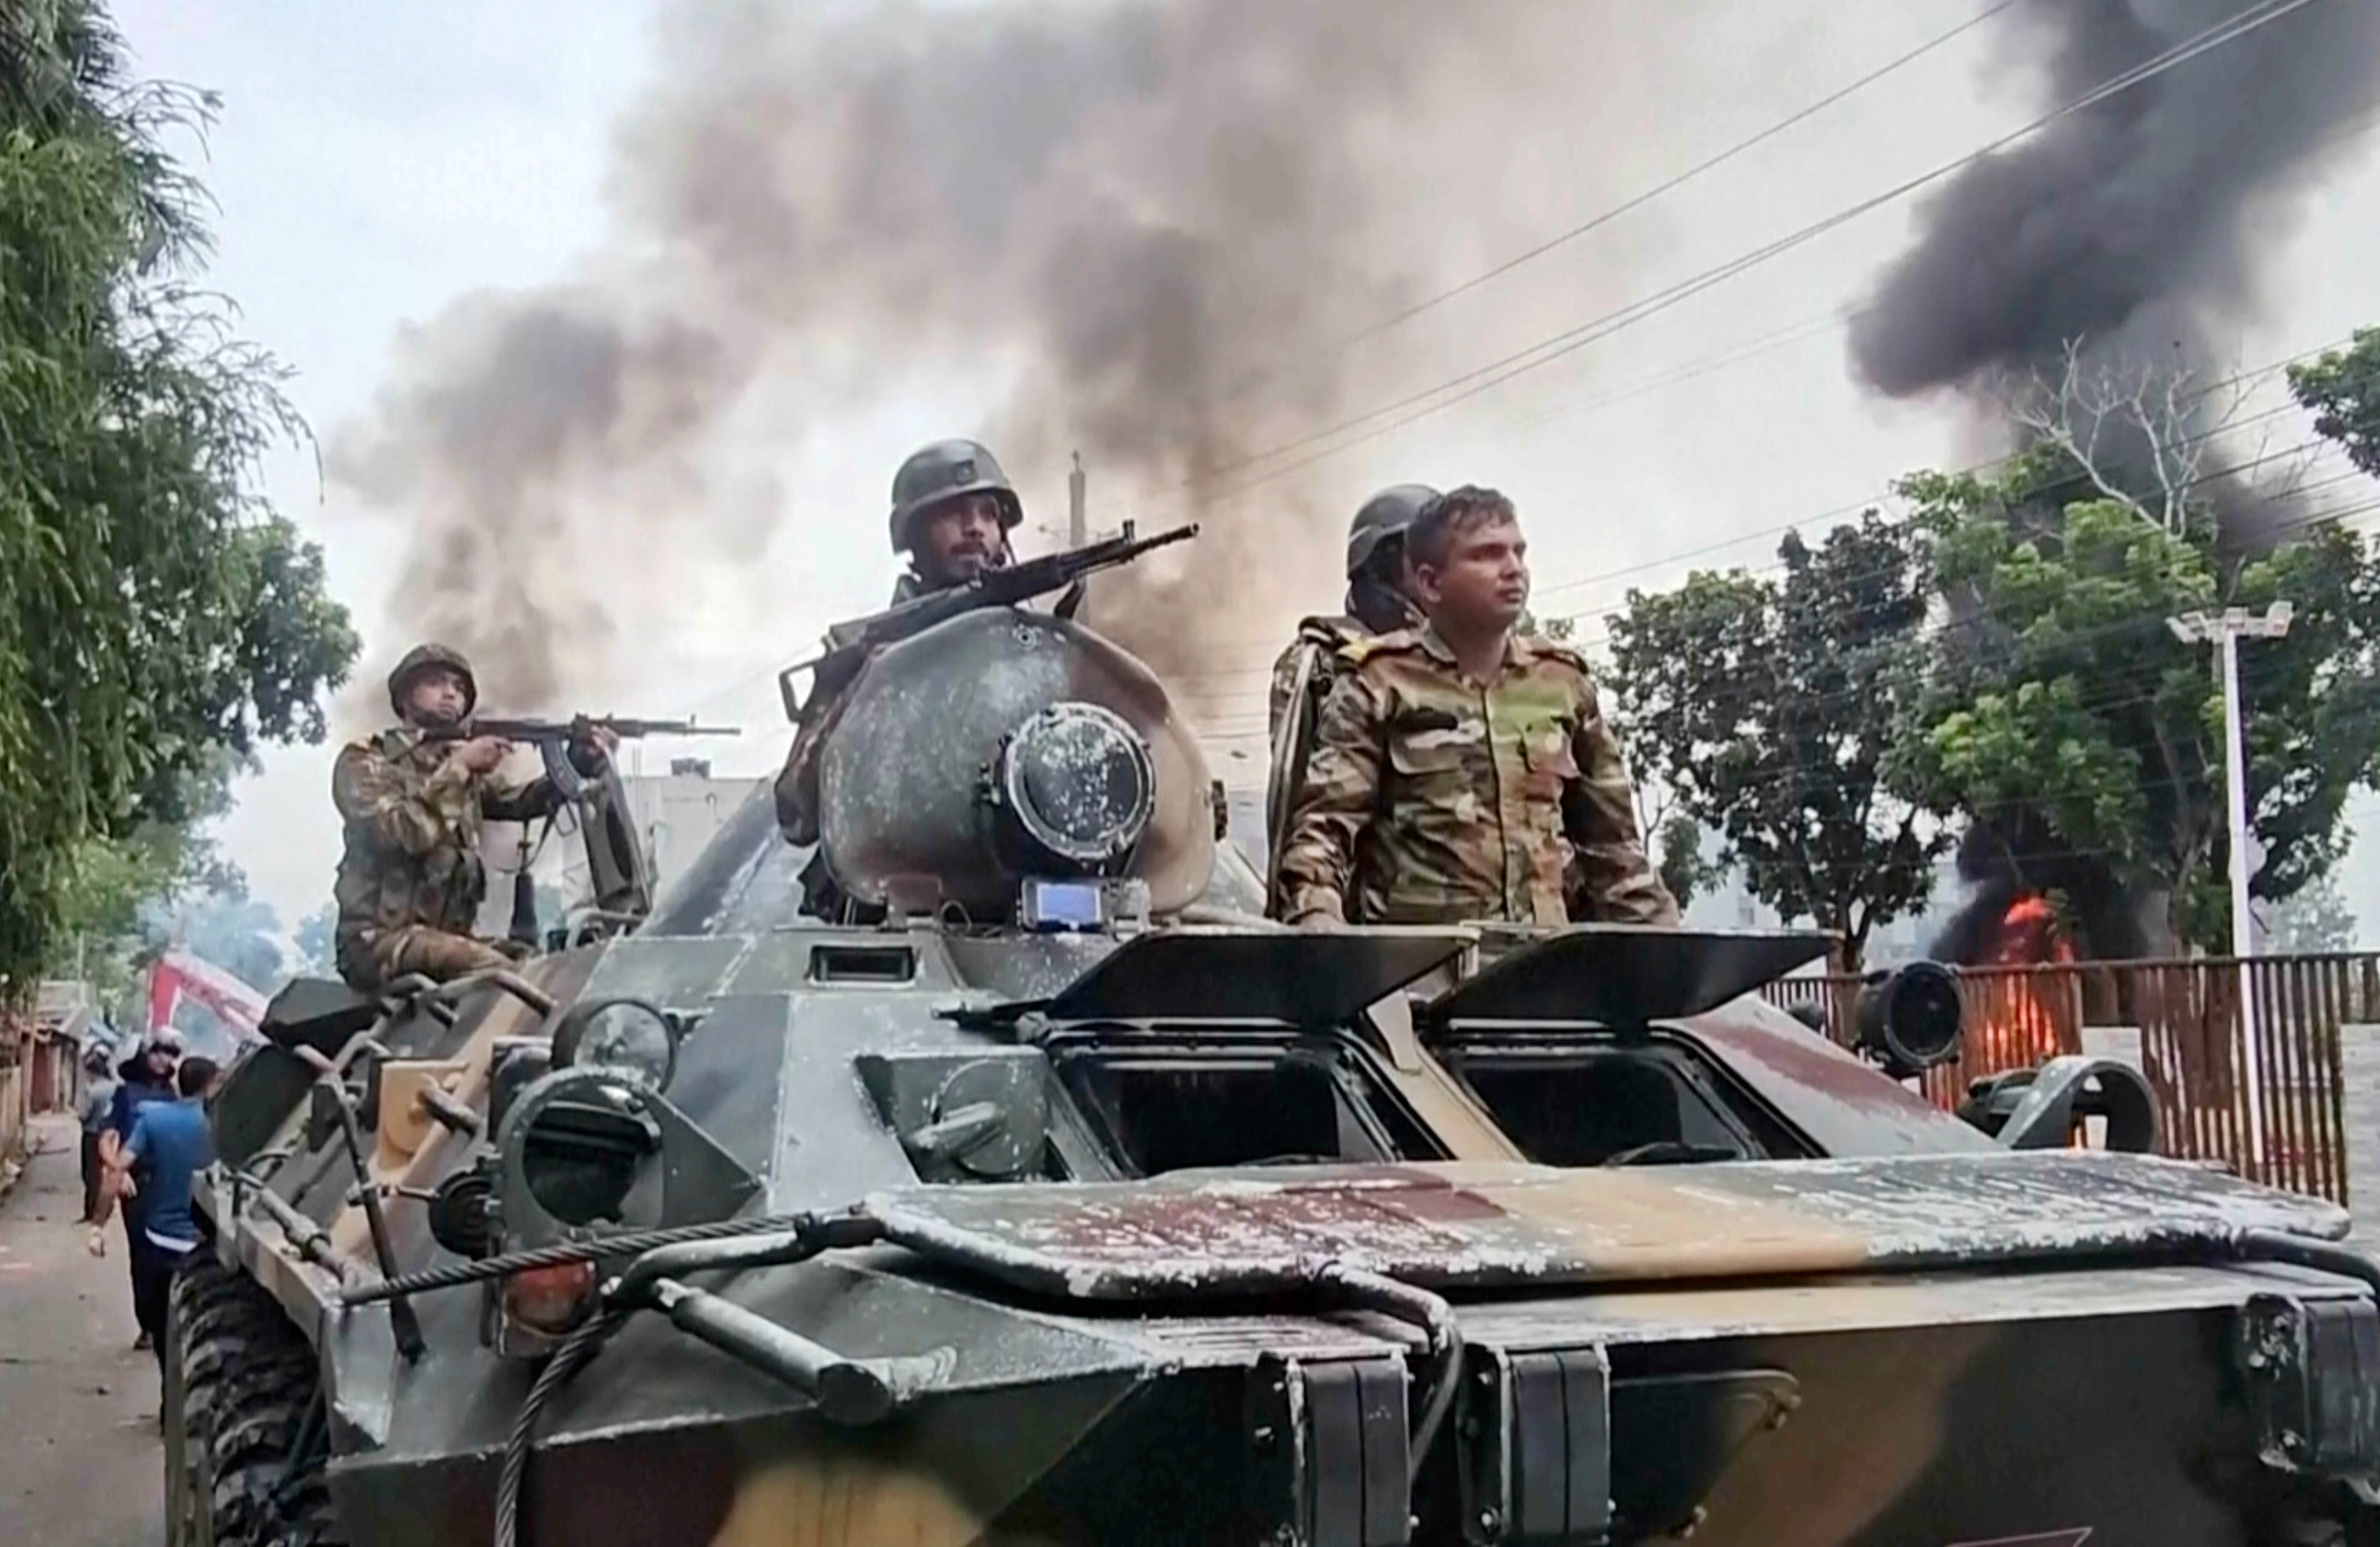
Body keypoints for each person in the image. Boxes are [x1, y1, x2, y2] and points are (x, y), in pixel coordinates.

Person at [1275, 485, 1680, 929]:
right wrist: (1318, 918)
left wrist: (1671, 949)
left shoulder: (1562, 684)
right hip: (1420, 963)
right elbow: (1323, 831)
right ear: (1429, 582)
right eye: (1487, 555)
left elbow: (1617, 853)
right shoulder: (1375, 682)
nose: (1513, 569)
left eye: (1518, 553)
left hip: (1545, 960)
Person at [774, 439, 1023, 876]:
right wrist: (867, 683)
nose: (975, 528)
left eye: (988, 514)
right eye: (954, 513)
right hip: (896, 886)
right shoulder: (867, 649)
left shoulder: (1029, 650)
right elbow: (797, 813)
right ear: (915, 534)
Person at [330, 643, 614, 992]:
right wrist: (461, 766)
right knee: (501, 972)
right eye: (435, 682)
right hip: (375, 943)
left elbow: (520, 803)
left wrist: (579, 762)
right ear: (405, 697)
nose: (451, 693)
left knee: (542, 965)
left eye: (459, 688)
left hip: (448, 938)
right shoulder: (367, 761)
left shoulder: (458, 766)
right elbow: (404, 832)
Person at [1263, 486, 1438, 900]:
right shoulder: (1322, 660)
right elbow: (1303, 803)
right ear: (1384, 563)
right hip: (1358, 911)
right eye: (1422, 556)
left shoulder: (1453, 660)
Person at [90, 1055, 220, 1382]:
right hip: (206, 1248)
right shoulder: (227, 1124)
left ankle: (168, 1392)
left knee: (164, 1335)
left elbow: (116, 1170)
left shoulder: (153, 1120)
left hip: (160, 1243)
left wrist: (98, 1225)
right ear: (210, 1086)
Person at [93, 1030, 181, 1351]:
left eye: (170, 1053)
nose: (163, 1059)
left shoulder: (176, 1094)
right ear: (145, 1054)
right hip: (136, 1185)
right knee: (143, 1258)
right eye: (158, 1051)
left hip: (170, 1183)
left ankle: (167, 1322)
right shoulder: (125, 1093)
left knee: (172, 1257)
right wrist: (119, 1168)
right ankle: (148, 1324)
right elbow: (107, 1138)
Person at [75, 1043, 119, 1224]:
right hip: (111, 1136)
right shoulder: (115, 1088)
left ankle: (92, 1210)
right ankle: (107, 1207)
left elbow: (84, 1114)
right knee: (107, 1171)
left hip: (92, 1135)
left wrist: (79, 1111)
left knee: (91, 1174)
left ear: (92, 1072)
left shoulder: (91, 1091)